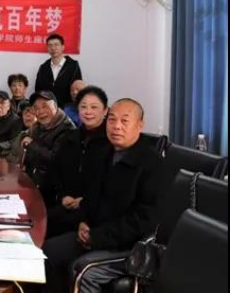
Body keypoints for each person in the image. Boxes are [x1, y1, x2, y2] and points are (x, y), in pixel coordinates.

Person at [43, 99, 166, 293]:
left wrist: (97, 237)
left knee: (83, 271)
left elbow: (143, 221)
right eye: (112, 119)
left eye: (124, 121)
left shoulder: (153, 165)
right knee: (49, 251)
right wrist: (83, 222)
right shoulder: (102, 154)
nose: (116, 126)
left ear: (139, 125)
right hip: (94, 234)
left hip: (130, 246)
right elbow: (89, 197)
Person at [49, 86, 110, 238]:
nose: (88, 112)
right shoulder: (70, 138)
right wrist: (63, 196)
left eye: (94, 107)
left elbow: (109, 186)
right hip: (65, 206)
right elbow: (56, 172)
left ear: (105, 111)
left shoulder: (111, 142)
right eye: (83, 107)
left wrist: (84, 202)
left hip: (92, 215)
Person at [21, 91, 76, 206]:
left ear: (55, 106)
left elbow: (55, 160)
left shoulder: (67, 129)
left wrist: (32, 145)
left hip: (53, 193)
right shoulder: (38, 126)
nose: (40, 111)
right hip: (33, 183)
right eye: (36, 108)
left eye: (44, 106)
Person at [35, 34, 83, 108]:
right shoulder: (43, 68)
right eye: (50, 45)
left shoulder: (73, 66)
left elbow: (77, 88)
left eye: (56, 45)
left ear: (62, 47)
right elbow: (38, 90)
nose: (53, 48)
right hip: (48, 109)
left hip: (67, 108)